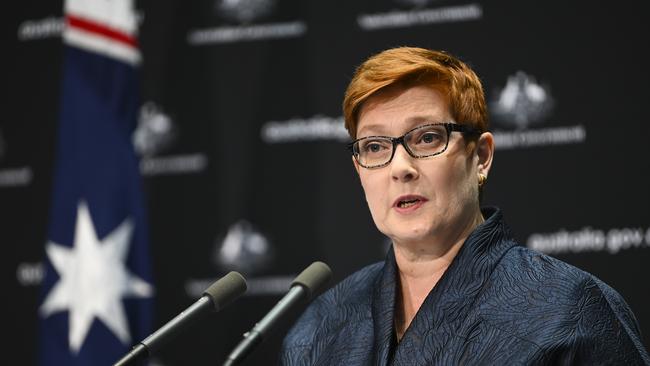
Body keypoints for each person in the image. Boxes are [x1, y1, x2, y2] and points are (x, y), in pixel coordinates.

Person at [279, 47, 650, 365]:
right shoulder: (319, 327)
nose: (400, 168)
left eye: (426, 138)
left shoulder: (569, 310)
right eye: (375, 146)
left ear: (481, 156)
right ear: (359, 168)